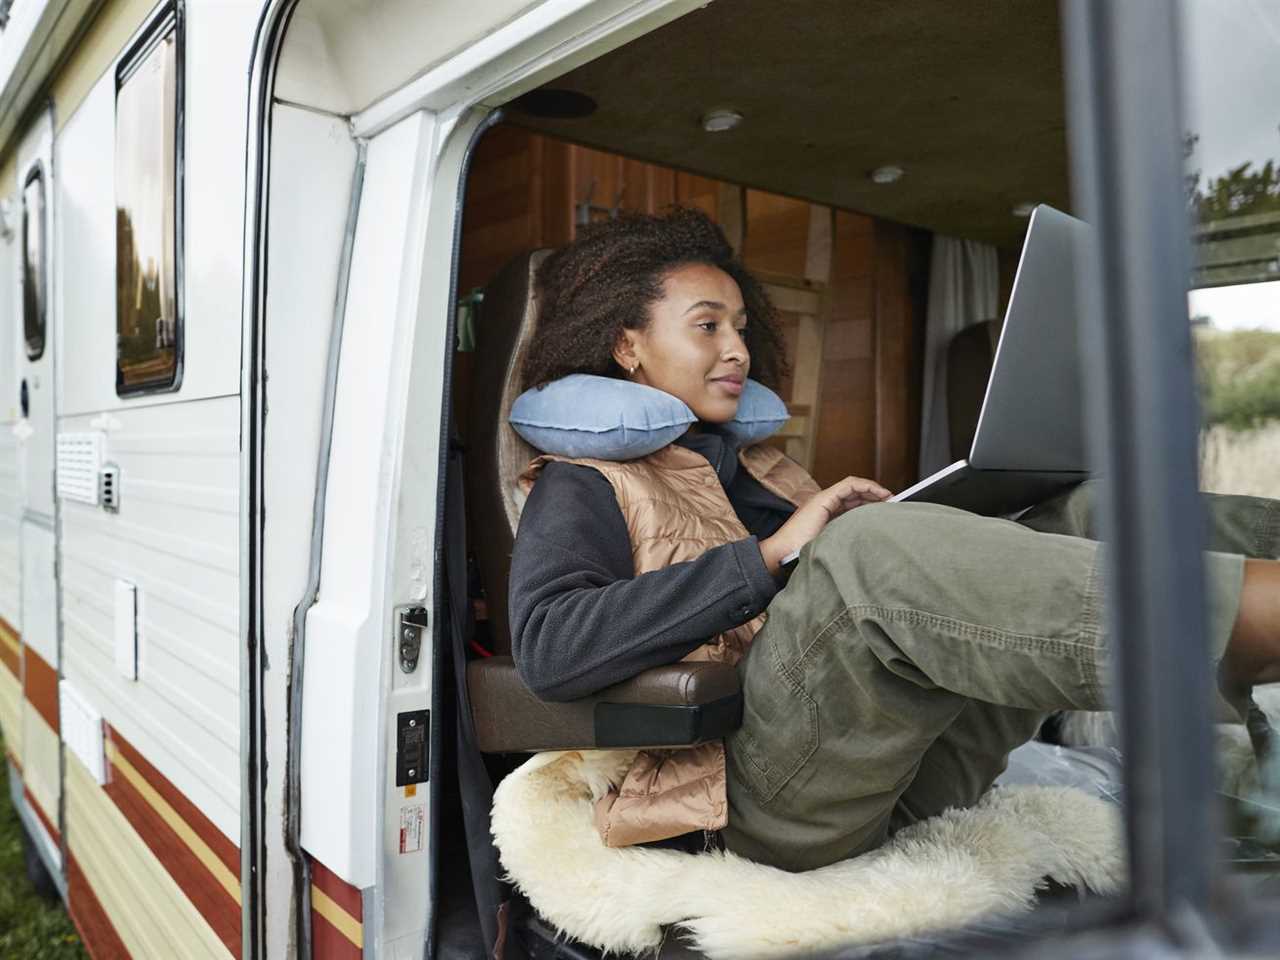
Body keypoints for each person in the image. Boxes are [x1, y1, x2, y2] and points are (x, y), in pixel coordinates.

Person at [507, 207, 1280, 873]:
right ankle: (1250, 617)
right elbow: (550, 647)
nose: (738, 349)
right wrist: (774, 557)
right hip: (736, 809)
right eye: (707, 326)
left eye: (742, 327)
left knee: (1090, 508)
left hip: (891, 770)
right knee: (864, 550)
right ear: (628, 346)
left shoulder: (763, 469)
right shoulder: (583, 480)